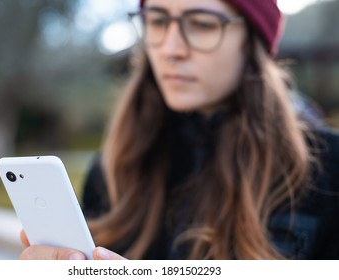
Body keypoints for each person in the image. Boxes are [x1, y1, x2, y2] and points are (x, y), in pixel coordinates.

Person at [20, 0, 339, 260]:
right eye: (158, 21)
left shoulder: (327, 172)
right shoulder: (110, 172)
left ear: (252, 39)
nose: (171, 49)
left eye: (202, 24)